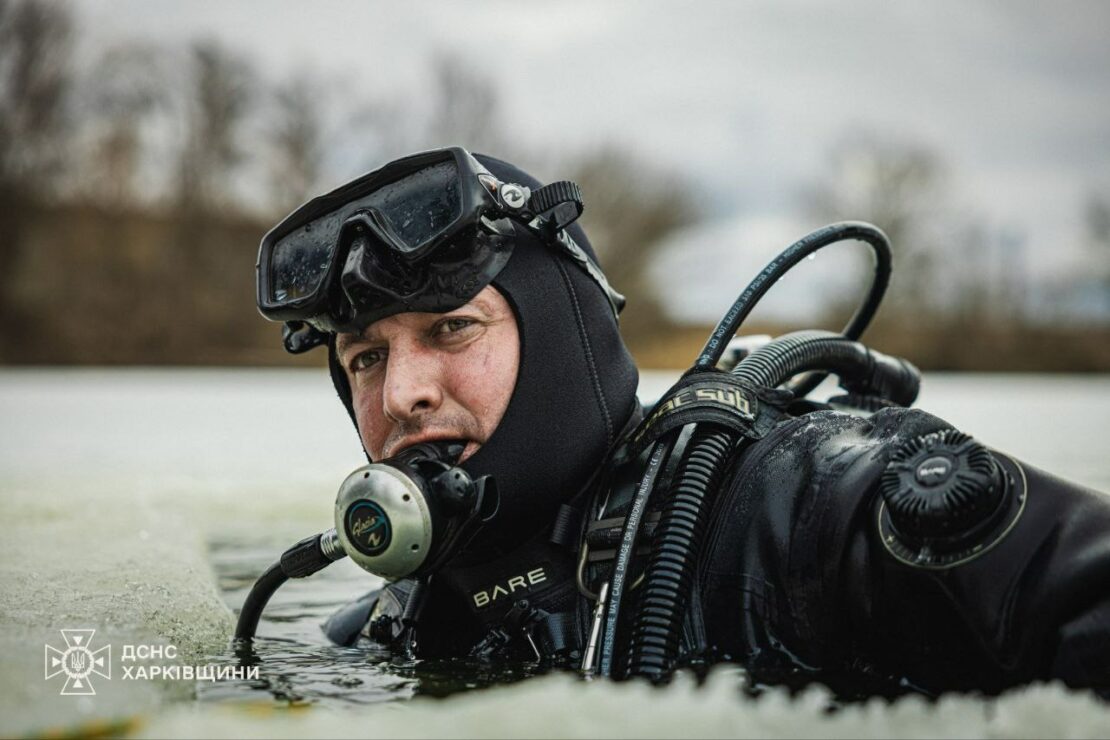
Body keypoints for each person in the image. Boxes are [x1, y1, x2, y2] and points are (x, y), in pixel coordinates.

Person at [254, 147, 1110, 698]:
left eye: (452, 329)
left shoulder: (808, 507)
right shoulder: (388, 626)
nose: (401, 392)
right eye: (365, 357)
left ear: (562, 336)